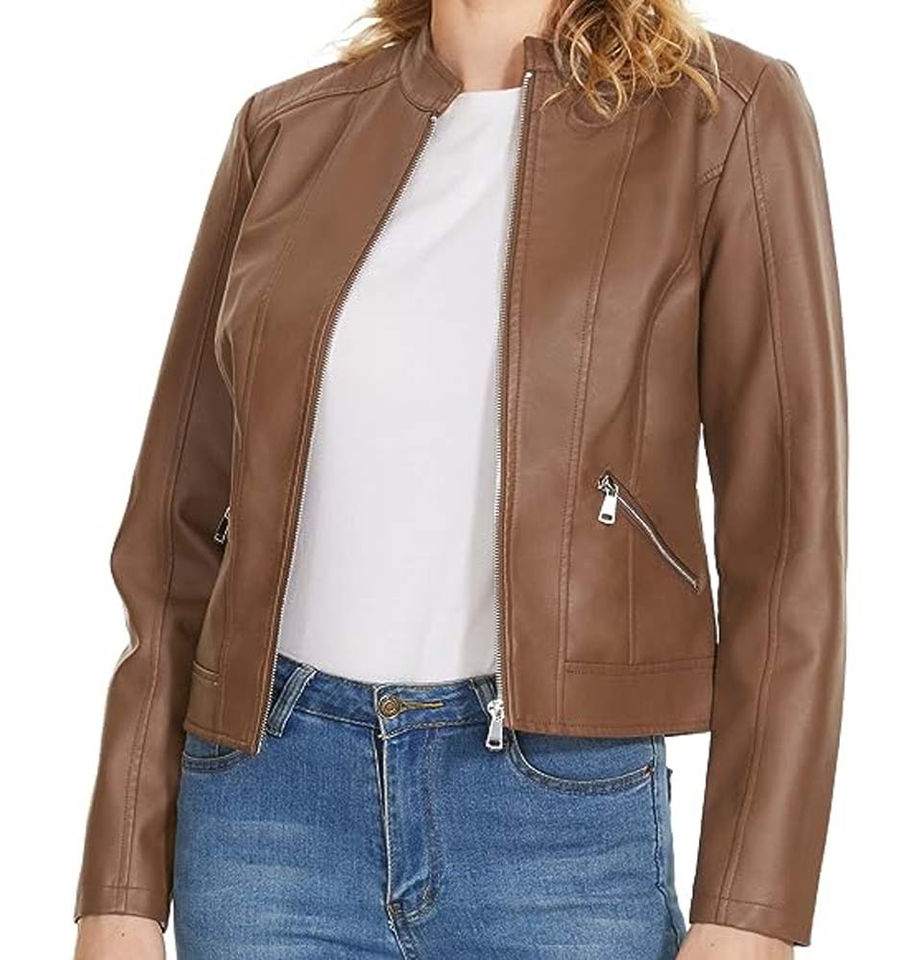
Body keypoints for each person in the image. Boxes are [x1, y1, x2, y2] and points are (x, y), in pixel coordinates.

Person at [73, 1, 847, 958]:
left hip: (560, 821)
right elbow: (172, 536)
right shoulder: (286, 129)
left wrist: (748, 911)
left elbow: (789, 546)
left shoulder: (721, 113)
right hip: (269, 813)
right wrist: (119, 889)